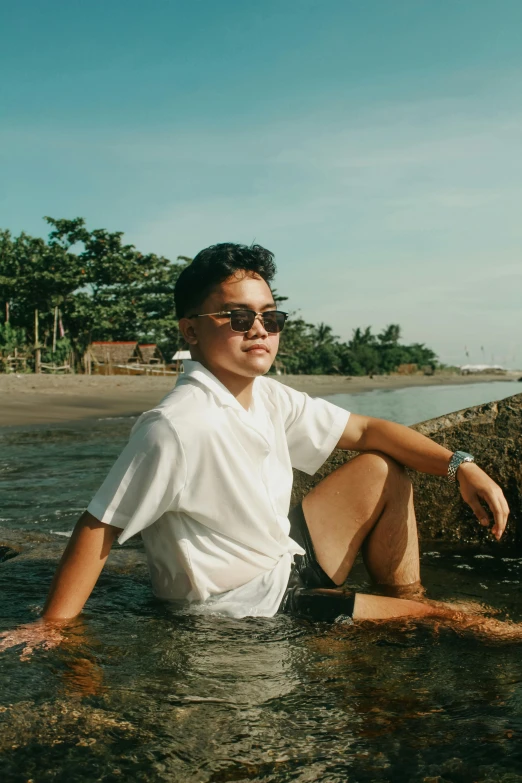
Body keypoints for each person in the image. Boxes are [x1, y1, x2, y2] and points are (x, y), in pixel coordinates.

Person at [0, 243, 512, 658]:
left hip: (286, 560)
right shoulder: (176, 426)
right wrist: (52, 626)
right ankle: (417, 616)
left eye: (271, 316)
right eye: (239, 318)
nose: (260, 329)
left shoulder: (266, 394)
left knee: (382, 466)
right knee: (457, 621)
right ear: (191, 330)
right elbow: (100, 524)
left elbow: (368, 429)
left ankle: (404, 600)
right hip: (250, 606)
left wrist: (462, 466)